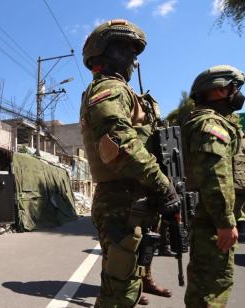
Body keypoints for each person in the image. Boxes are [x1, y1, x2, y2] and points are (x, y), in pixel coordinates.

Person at [80, 19, 179, 307]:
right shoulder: (109, 88)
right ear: (104, 52)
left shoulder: (124, 92)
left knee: (125, 279)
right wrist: (163, 186)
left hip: (134, 198)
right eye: (125, 50)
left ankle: (137, 286)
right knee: (118, 293)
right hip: (122, 200)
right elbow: (119, 142)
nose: (133, 60)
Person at [182, 65, 245, 307]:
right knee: (213, 288)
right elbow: (215, 176)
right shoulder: (210, 125)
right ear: (219, 90)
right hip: (211, 221)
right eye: (235, 88)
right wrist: (224, 221)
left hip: (207, 218)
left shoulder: (205, 121)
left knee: (203, 287)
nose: (237, 93)